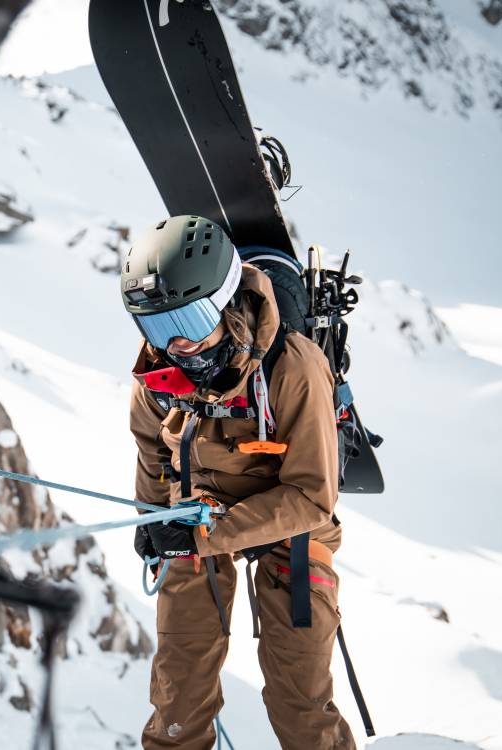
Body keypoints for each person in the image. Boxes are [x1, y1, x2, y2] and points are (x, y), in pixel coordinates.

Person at [123, 215, 354, 749]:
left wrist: (202, 535)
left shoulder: (292, 368)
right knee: (177, 703)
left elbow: (312, 498)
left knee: (300, 704)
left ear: (226, 304)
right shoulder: (158, 384)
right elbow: (155, 457)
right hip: (196, 519)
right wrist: (153, 522)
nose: (176, 343)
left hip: (291, 529)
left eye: (190, 319)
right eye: (157, 327)